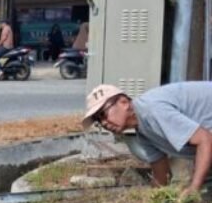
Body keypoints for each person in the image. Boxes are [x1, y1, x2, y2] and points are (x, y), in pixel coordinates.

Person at [83, 82, 212, 194]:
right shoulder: (143, 132)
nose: (103, 123)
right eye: (98, 120)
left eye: (103, 114)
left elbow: (205, 139)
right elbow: (162, 176)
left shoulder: (152, 111)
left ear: (124, 102)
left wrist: (194, 188)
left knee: (200, 194)